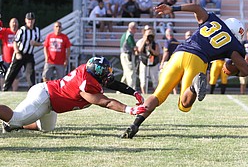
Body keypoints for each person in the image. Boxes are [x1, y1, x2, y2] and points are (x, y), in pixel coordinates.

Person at [121, 3, 248, 139]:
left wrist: (172, 9)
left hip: (179, 53)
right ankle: (194, 87)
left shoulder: (213, 21)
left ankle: (134, 125)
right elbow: (246, 70)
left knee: (157, 95)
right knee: (184, 105)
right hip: (198, 60)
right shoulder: (234, 44)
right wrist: (233, 70)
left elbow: (196, 7)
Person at [0, 56, 146, 133]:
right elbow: (106, 102)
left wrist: (133, 92)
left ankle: (15, 127)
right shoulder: (86, 85)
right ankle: (14, 124)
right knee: (15, 118)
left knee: (46, 128)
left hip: (50, 100)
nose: (108, 76)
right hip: (44, 97)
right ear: (96, 74)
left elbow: (112, 83)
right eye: (105, 73)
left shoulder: (88, 71)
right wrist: (129, 109)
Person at [3, 12, 42, 91]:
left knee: (30, 73)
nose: (30, 22)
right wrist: (17, 53)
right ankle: (5, 88)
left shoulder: (37, 30)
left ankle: (32, 90)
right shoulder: (22, 30)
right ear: (25, 20)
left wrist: (35, 43)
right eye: (28, 20)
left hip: (29, 55)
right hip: (20, 53)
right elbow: (15, 42)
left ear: (34, 20)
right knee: (13, 72)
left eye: (31, 20)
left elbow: (40, 43)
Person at [137, 27, 161, 94]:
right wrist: (145, 40)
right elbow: (139, 50)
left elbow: (157, 53)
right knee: (143, 80)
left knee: (155, 80)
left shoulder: (155, 43)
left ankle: (155, 94)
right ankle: (144, 93)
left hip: (153, 63)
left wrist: (151, 49)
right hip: (144, 62)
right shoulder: (141, 41)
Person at [0, 18, 20, 91]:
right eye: (13, 22)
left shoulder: (20, 32)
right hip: (6, 58)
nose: (14, 24)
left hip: (16, 58)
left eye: (15, 22)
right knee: (3, 75)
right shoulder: (5, 31)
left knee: (16, 75)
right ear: (9, 24)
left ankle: (14, 91)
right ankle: (3, 90)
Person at [159, 28, 180, 94]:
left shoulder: (167, 42)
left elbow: (166, 53)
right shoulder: (177, 42)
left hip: (168, 62)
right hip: (176, 62)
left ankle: (163, 92)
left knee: (164, 77)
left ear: (166, 34)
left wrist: (162, 62)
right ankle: (175, 92)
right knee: (174, 78)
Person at [120, 21, 138, 89]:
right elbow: (134, 47)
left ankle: (119, 89)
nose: (136, 30)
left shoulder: (124, 34)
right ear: (132, 28)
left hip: (123, 54)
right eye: (136, 28)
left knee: (125, 73)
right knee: (131, 73)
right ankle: (132, 89)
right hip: (128, 56)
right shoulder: (129, 35)